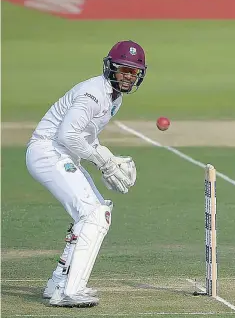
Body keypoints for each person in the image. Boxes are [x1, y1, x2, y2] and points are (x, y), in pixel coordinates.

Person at [25, 40, 147, 307]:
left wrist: (110, 159)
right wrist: (102, 162)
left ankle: (58, 283)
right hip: (48, 152)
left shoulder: (115, 99)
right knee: (95, 216)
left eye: (133, 72)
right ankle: (70, 291)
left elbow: (86, 138)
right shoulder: (93, 93)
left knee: (96, 210)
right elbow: (67, 135)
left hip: (62, 154)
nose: (128, 77)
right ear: (111, 69)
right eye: (123, 70)